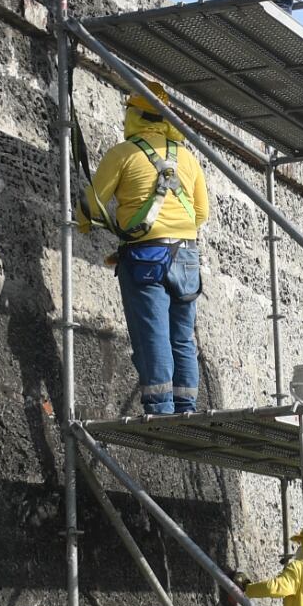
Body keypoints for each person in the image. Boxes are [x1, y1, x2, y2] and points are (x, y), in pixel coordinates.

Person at [82, 82, 210, 415]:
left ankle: (161, 407)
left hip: (145, 257)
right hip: (187, 256)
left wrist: (82, 223)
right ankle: (186, 406)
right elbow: (201, 214)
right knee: (182, 337)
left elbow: (93, 204)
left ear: (134, 115)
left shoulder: (123, 154)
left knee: (152, 332)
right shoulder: (187, 158)